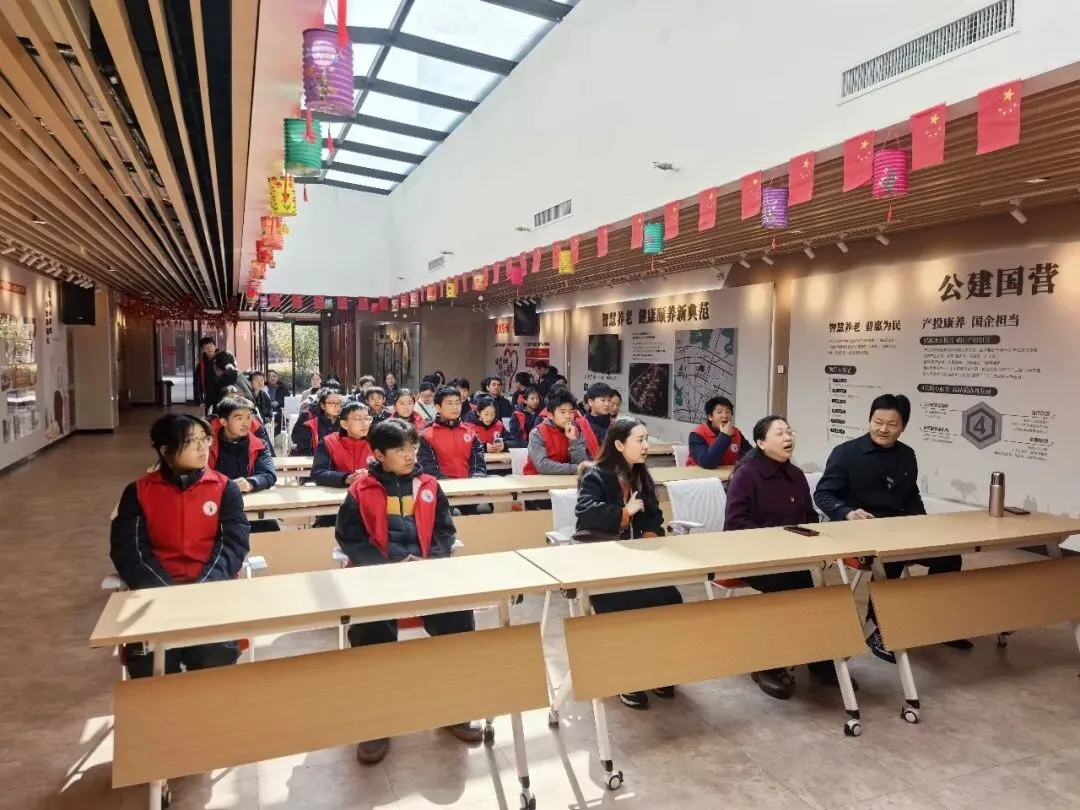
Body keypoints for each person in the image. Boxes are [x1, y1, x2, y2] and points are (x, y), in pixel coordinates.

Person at [335, 419, 482, 763]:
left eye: (412, 448)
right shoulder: (360, 491)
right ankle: (375, 720)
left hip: (425, 571)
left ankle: (455, 708)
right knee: (370, 633)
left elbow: (445, 531)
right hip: (379, 575)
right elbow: (349, 538)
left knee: (458, 620)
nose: (409, 456)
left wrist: (430, 561)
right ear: (378, 454)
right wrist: (386, 567)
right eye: (400, 450)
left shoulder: (429, 484)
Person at [814, 393, 970, 661]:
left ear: (903, 427)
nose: (883, 429)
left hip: (901, 530)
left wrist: (922, 523)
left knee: (950, 557)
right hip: (862, 532)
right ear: (869, 421)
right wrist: (847, 512)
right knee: (890, 560)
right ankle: (878, 630)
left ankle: (938, 622)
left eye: (891, 424)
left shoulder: (907, 455)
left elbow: (911, 495)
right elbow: (823, 494)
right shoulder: (846, 453)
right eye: (877, 422)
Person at [109, 413, 249, 677]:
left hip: (209, 591)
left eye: (205, 439)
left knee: (215, 654)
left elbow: (234, 544)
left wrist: (204, 586)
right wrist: (164, 592)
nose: (202, 447)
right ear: (166, 451)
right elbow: (129, 550)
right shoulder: (138, 492)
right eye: (192, 441)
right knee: (150, 664)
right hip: (155, 595)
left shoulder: (224, 488)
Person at [725, 415, 850, 700]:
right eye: (779, 433)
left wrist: (817, 542)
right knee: (792, 589)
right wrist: (777, 543)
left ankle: (818, 658)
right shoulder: (746, 474)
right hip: (752, 557)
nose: (787, 437)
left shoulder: (795, 475)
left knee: (818, 591)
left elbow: (809, 517)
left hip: (792, 557)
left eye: (789, 432)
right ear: (760, 442)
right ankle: (768, 664)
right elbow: (735, 524)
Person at [574, 417, 682, 709]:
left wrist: (649, 539)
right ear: (619, 445)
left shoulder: (641, 476)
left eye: (647, 439)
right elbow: (586, 512)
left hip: (637, 561)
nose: (646, 446)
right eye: (640, 440)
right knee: (627, 604)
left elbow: (654, 517)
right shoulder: (595, 474)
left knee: (669, 598)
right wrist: (625, 512)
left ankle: (659, 668)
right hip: (603, 561)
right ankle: (626, 675)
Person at [208, 396, 277, 494]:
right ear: (223, 421)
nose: (246, 424)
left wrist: (251, 483)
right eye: (239, 418)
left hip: (246, 497)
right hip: (213, 496)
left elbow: (268, 475)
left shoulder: (260, 445)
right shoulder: (207, 444)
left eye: (248, 417)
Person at [418, 386, 487, 482]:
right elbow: (428, 469)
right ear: (438, 407)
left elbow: (479, 466)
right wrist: (450, 486)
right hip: (441, 488)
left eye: (457, 403)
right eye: (449, 403)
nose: (455, 407)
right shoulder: (426, 435)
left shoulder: (470, 432)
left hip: (470, 487)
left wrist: (473, 484)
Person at [524, 387, 590, 475]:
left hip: (566, 480)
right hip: (537, 480)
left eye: (571, 412)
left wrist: (573, 440)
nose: (568, 416)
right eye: (562, 412)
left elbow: (582, 465)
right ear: (550, 415)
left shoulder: (576, 431)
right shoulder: (537, 433)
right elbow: (542, 466)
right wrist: (575, 468)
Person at [312, 401, 373, 487]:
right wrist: (347, 478)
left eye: (367, 419)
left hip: (370, 490)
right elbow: (318, 473)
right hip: (337, 492)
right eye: (358, 419)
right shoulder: (328, 442)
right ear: (344, 424)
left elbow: (389, 471)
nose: (365, 423)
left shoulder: (377, 441)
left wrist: (371, 474)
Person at [687, 396, 752, 468]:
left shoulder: (736, 432)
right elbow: (707, 463)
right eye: (719, 412)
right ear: (710, 417)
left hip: (726, 473)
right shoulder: (697, 434)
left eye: (728, 412)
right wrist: (725, 436)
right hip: (699, 474)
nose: (725, 415)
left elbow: (751, 453)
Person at [290, 388, 343, 456]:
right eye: (332, 403)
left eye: (339, 403)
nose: (337, 406)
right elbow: (302, 446)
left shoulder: (346, 420)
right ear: (323, 405)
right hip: (313, 459)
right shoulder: (307, 418)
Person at [575, 382, 614, 457]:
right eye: (603, 400)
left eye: (609, 400)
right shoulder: (580, 426)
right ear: (590, 402)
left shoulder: (615, 424)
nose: (607, 404)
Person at [194, 336, 217, 414]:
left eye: (211, 346)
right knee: (210, 418)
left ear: (215, 346)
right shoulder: (201, 365)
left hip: (223, 395)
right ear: (203, 349)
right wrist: (200, 400)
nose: (209, 349)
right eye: (206, 347)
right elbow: (197, 383)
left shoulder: (223, 360)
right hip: (209, 397)